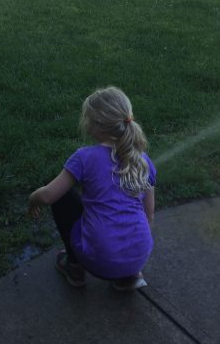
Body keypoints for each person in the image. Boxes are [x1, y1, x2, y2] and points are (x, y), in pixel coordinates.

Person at [28, 86, 156, 291]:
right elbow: (149, 215)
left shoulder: (85, 157)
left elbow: (48, 196)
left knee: (64, 197)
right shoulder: (142, 160)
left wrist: (32, 199)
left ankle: (75, 267)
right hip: (139, 257)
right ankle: (127, 277)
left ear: (96, 124)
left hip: (100, 260)